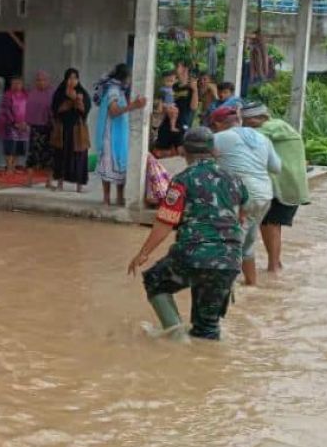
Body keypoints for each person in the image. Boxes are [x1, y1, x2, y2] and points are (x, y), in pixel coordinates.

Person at [129, 127, 246, 340]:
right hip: (229, 261)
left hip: (193, 254)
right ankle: (200, 354)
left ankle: (176, 339)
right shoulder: (235, 179)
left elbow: (166, 221)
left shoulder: (182, 180)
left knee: (155, 279)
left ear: (183, 151)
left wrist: (143, 253)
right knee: (207, 330)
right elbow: (242, 216)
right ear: (214, 151)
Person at [211, 103, 280, 286]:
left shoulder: (218, 138)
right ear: (238, 120)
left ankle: (226, 290)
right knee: (247, 243)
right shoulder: (262, 138)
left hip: (241, 197)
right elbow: (276, 167)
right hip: (264, 195)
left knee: (230, 243)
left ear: (217, 124)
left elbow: (201, 161)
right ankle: (251, 285)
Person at [243, 102, 309, 273]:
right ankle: (275, 265)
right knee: (270, 224)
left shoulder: (271, 128)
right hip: (289, 186)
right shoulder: (279, 127)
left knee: (269, 224)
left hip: (282, 187)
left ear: (261, 118)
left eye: (247, 122)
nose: (244, 125)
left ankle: (273, 267)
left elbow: (244, 138)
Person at [93, 63, 148, 206]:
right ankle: (107, 198)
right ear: (124, 77)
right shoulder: (113, 90)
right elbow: (114, 111)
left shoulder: (119, 90)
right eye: (129, 77)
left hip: (117, 135)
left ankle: (119, 197)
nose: (130, 80)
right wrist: (134, 106)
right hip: (110, 135)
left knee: (119, 168)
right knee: (108, 166)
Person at [49, 68, 91, 192]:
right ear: (66, 79)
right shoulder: (60, 92)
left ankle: (79, 186)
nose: (72, 80)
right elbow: (55, 109)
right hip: (62, 129)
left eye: (75, 78)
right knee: (61, 155)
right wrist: (67, 102)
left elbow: (85, 110)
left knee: (79, 157)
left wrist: (77, 100)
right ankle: (60, 184)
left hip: (77, 130)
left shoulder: (82, 92)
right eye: (70, 78)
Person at [0, 75, 30, 176]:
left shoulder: (26, 95)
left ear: (22, 84)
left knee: (19, 147)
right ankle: (9, 167)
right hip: (10, 125)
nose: (16, 85)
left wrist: (26, 123)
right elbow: (6, 110)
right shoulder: (7, 95)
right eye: (14, 83)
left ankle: (14, 166)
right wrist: (14, 123)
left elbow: (29, 109)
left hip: (23, 125)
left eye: (19, 83)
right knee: (10, 147)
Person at [24, 70, 53, 177]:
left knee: (49, 154)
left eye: (43, 80)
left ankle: (49, 180)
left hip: (50, 127)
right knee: (33, 153)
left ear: (48, 81)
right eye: (38, 80)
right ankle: (29, 179)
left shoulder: (53, 93)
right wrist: (26, 123)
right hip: (35, 127)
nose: (41, 82)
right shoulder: (32, 93)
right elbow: (28, 109)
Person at [173, 63, 196, 128]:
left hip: (184, 122)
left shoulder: (192, 87)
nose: (178, 69)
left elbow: (193, 107)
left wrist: (195, 91)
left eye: (183, 70)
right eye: (178, 67)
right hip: (171, 121)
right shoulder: (174, 86)